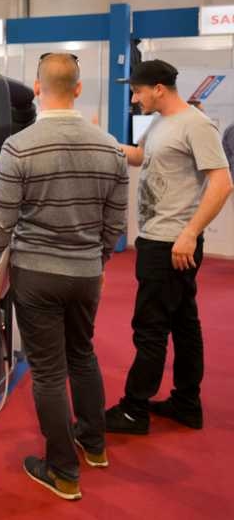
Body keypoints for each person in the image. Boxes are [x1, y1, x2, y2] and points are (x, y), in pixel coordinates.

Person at [0, 53, 129, 501]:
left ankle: (63, 471)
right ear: (78, 88)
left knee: (47, 372)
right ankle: (94, 444)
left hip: (36, 274)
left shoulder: (19, 147)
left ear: (38, 88)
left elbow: (1, 219)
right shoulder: (111, 147)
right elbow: (115, 220)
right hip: (86, 272)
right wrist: (98, 259)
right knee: (82, 354)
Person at [105, 60, 232, 435]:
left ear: (158, 88)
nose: (134, 98)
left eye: (138, 91)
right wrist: (102, 145)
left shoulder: (196, 124)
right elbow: (141, 157)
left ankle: (134, 410)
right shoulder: (160, 122)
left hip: (172, 244)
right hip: (158, 239)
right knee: (183, 323)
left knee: (151, 327)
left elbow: (222, 183)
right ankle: (186, 403)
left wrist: (190, 233)